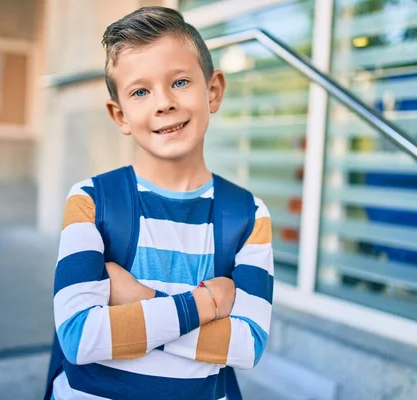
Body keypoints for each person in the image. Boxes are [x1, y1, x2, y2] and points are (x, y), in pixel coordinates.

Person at [48, 6, 274, 400]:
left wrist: (140, 299)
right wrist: (206, 304)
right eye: (140, 91)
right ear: (120, 115)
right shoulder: (91, 200)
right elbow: (80, 336)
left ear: (214, 91)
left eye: (181, 82)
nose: (163, 102)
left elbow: (246, 345)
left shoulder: (247, 214)